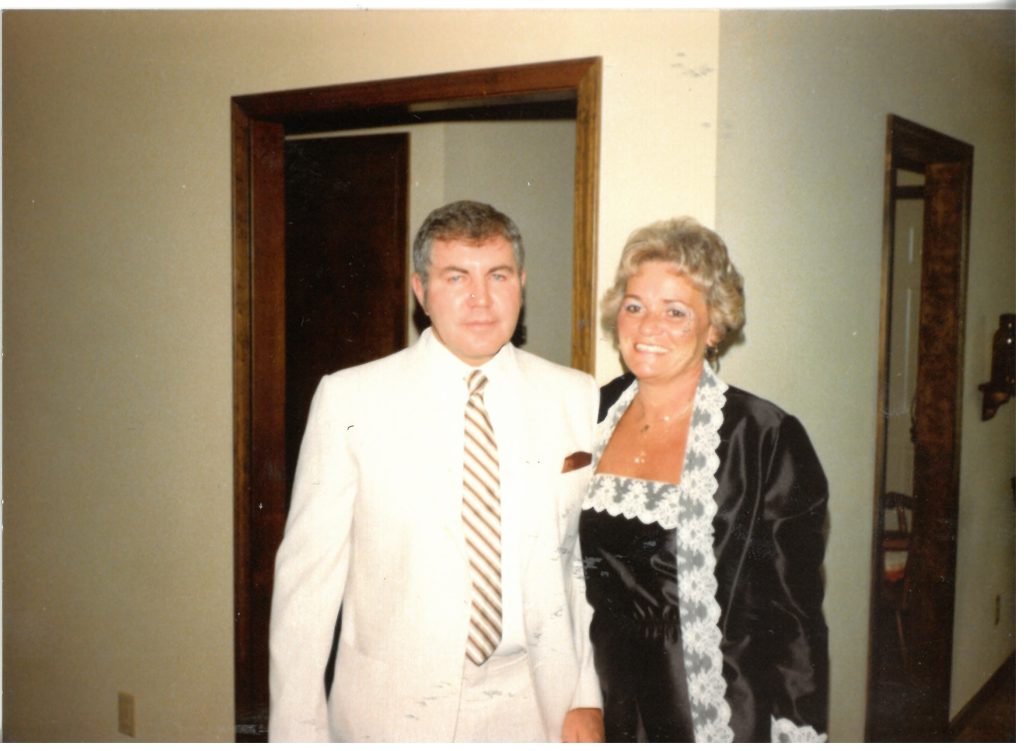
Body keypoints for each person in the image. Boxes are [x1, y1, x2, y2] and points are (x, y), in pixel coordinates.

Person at [268, 200, 604, 742]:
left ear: (521, 283)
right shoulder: (350, 400)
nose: (481, 299)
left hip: (537, 705)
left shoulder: (575, 396)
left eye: (498, 275)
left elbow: (584, 566)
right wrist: (298, 736)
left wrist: (587, 696)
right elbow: (305, 591)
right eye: (456, 277)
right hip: (393, 711)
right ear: (421, 291)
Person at [579, 217, 829, 742]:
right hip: (601, 696)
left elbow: (793, 613)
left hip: (713, 707)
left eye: (675, 311)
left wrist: (796, 727)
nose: (648, 327)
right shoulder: (586, 415)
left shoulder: (763, 437)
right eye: (635, 306)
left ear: (714, 327)